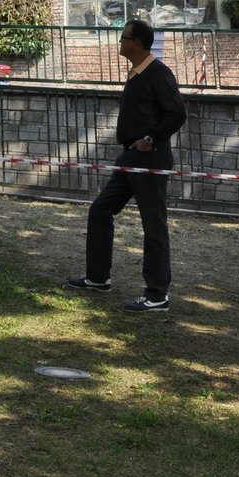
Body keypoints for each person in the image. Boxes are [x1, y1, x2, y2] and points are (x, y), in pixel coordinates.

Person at [66, 19, 187, 312]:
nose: (119, 43)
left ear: (137, 43)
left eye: (123, 38)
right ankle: (98, 277)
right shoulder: (135, 73)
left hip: (150, 158)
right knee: (100, 209)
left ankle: (157, 295)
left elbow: (177, 114)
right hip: (129, 158)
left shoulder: (158, 73)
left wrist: (151, 139)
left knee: (153, 225)